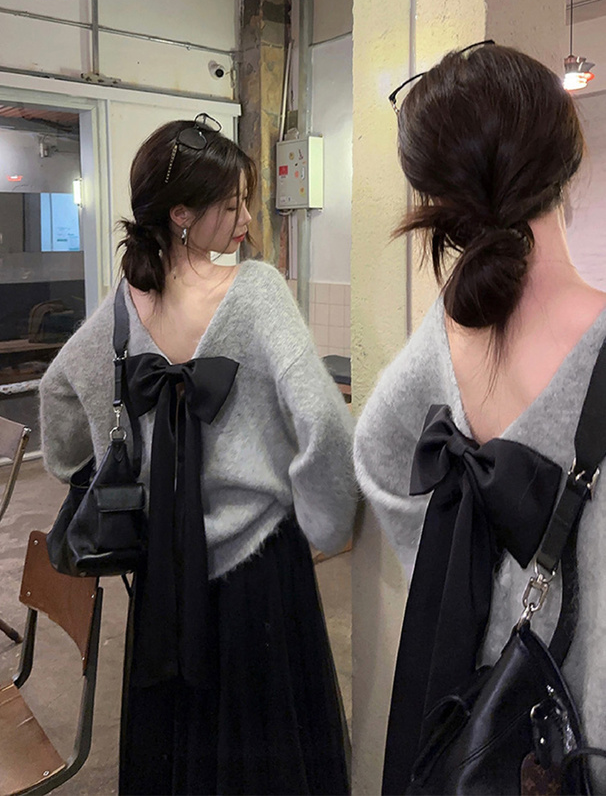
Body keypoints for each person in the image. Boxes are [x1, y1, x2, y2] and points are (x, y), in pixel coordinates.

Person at [39, 114, 356, 796]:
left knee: (179, 747)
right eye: (232, 205)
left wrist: (98, 465)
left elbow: (58, 397)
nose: (247, 219)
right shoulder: (256, 291)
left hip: (162, 570)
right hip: (260, 569)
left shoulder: (124, 306)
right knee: (270, 751)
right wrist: (328, 522)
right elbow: (326, 424)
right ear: (181, 215)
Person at [353, 43, 606, 793]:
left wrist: (459, 575)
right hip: (578, 742)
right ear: (566, 162)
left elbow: (377, 449)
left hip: (475, 706)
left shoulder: (447, 328)